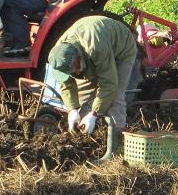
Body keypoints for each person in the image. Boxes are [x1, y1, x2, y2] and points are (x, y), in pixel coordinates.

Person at [47, 14, 139, 162]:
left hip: (122, 49)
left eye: (73, 70)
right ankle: (84, 145)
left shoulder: (96, 48)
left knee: (115, 98)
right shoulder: (59, 54)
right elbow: (66, 83)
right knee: (83, 101)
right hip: (92, 54)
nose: (72, 74)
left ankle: (116, 150)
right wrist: (72, 110)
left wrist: (94, 114)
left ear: (77, 58)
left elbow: (109, 85)